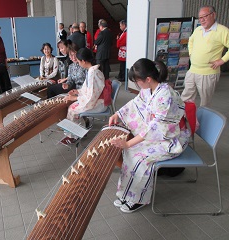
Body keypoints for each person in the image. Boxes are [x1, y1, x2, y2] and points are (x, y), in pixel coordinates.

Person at [109, 58, 190, 213]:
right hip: (160, 133)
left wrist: (128, 143)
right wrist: (117, 114)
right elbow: (135, 104)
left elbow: (155, 127)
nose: (136, 84)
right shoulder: (149, 89)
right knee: (131, 150)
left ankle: (138, 199)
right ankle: (128, 193)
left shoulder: (165, 95)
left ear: (148, 79)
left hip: (172, 138)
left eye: (137, 80)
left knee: (140, 157)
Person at [181, 5, 229, 107]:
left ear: (213, 15)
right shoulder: (198, 29)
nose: (202, 20)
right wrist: (191, 53)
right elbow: (191, 41)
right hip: (192, 70)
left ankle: (203, 120)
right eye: (200, 17)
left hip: (208, 73)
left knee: (205, 102)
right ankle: (185, 118)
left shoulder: (222, 30)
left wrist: (222, 60)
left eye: (205, 16)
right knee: (186, 97)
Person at [61, 48, 106, 145]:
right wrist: (77, 92)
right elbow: (87, 89)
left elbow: (91, 96)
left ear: (84, 61)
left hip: (98, 103)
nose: (77, 62)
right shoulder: (92, 70)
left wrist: (76, 98)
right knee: (72, 107)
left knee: (72, 109)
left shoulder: (93, 73)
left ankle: (73, 136)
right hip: (95, 99)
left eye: (78, 60)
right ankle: (80, 131)